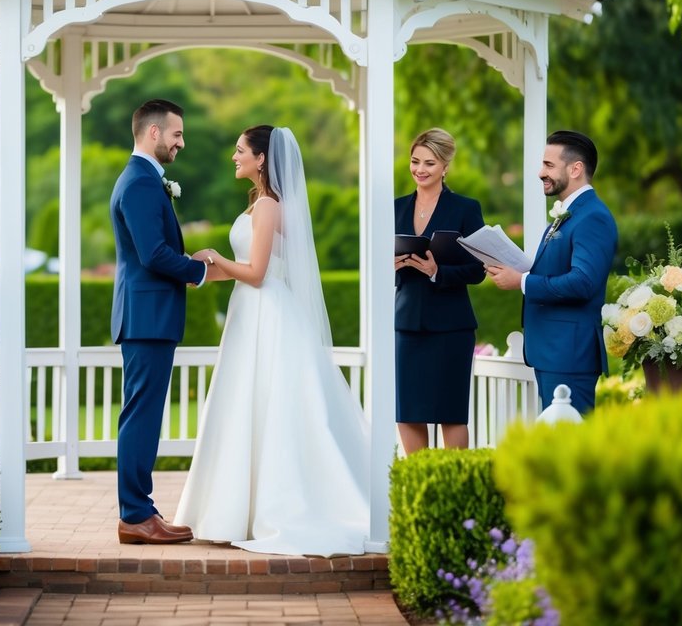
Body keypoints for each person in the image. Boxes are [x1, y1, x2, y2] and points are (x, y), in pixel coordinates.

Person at [174, 125, 371, 557]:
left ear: (262, 159)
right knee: (247, 403)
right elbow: (246, 267)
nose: (234, 156)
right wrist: (203, 272)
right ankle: (234, 509)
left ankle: (266, 508)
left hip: (267, 312)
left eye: (240, 149)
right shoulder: (260, 206)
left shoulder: (267, 207)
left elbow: (257, 274)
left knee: (269, 404)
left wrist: (214, 257)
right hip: (253, 312)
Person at [109, 99, 210, 545]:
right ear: (153, 133)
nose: (181, 143)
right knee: (141, 416)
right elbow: (152, 254)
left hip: (148, 315)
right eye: (177, 134)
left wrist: (187, 264)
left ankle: (141, 509)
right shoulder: (140, 184)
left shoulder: (144, 180)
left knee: (143, 414)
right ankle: (134, 514)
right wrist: (198, 269)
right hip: (147, 317)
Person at [486, 130, 618, 415]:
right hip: (552, 353)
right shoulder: (568, 215)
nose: (540, 173)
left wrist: (521, 281)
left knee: (571, 444)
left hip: (569, 355)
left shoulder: (592, 216)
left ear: (575, 169)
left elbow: (583, 282)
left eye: (548, 165)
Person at [393, 129, 486, 453]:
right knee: (406, 414)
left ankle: (453, 493)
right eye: (415, 161)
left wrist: (437, 271)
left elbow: (478, 269)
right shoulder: (395, 208)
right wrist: (388, 268)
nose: (420, 169)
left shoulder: (465, 209)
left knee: (451, 415)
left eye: (429, 163)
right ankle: (421, 486)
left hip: (451, 327)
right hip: (406, 325)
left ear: (445, 166)